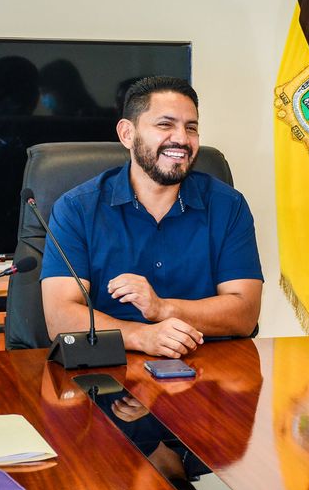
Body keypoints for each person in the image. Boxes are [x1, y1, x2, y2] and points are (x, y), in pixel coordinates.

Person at [41, 76, 263, 358]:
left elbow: (245, 314)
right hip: (110, 367)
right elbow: (59, 317)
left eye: (191, 128)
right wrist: (140, 336)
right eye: (165, 125)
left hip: (210, 365)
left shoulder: (228, 205)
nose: (181, 139)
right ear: (127, 134)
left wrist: (162, 308)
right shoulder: (76, 209)